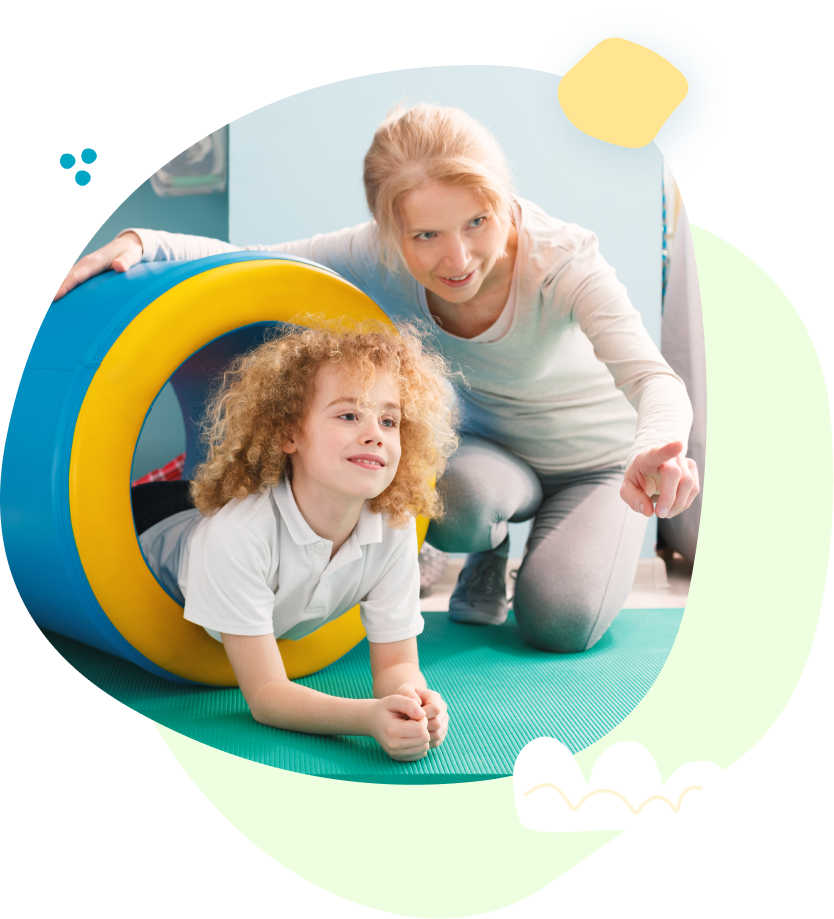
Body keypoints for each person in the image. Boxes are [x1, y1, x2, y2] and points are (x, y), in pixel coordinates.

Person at [57, 102, 700, 655]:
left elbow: (654, 379)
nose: (457, 258)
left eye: (478, 222)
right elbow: (261, 261)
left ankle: (522, 555)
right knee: (453, 503)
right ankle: (486, 548)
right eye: (426, 234)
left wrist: (657, 445)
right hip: (491, 456)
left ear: (502, 199)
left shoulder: (563, 261)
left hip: (597, 465)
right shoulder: (377, 253)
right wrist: (145, 240)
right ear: (392, 231)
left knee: (562, 622)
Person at [132, 320, 459, 762]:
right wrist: (367, 719)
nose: (374, 433)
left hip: (207, 522)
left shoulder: (394, 525)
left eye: (389, 420)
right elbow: (267, 695)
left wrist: (413, 702)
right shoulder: (237, 536)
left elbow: (396, 664)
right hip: (154, 523)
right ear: (289, 434)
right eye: (348, 415)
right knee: (180, 496)